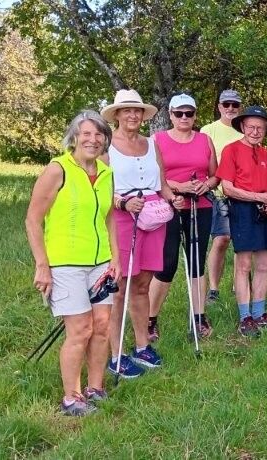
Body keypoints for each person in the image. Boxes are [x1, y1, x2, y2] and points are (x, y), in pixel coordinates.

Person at [25, 110, 120, 416]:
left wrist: (115, 257)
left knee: (102, 327)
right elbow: (32, 220)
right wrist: (42, 264)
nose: (93, 140)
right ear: (74, 137)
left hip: (100, 262)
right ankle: (72, 397)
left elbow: (109, 218)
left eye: (99, 134)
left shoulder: (106, 171)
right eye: (86, 134)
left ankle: (95, 387)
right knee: (80, 329)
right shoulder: (58, 169)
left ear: (106, 139)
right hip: (66, 264)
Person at [100, 89, 181, 377]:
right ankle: (115, 354)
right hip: (122, 218)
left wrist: (173, 197)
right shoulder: (106, 148)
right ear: (117, 115)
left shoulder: (151, 144)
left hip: (154, 217)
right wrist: (122, 202)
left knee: (143, 283)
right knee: (120, 286)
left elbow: (162, 183)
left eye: (137, 111)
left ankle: (142, 345)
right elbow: (96, 190)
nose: (133, 115)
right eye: (127, 111)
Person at [147, 94, 218, 342]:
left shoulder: (204, 140)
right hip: (168, 206)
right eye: (179, 113)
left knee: (197, 262)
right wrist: (178, 188)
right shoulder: (157, 140)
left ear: (195, 115)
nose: (184, 118)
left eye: (189, 113)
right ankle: (150, 318)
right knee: (167, 264)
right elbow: (153, 176)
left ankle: (198, 316)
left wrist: (204, 185)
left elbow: (214, 175)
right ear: (171, 115)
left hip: (201, 206)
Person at [215, 106, 267, 338]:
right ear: (242, 127)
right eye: (251, 127)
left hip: (263, 211)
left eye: (260, 128)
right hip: (242, 210)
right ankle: (245, 318)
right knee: (243, 265)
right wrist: (259, 197)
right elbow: (228, 188)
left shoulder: (265, 154)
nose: (255, 131)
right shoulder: (231, 150)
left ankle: (259, 313)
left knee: (264, 264)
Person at [201, 89, 243, 303]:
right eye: (226, 104)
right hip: (218, 194)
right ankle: (214, 289)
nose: (230, 109)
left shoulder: (246, 131)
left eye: (234, 105)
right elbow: (202, 161)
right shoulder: (208, 131)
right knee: (221, 239)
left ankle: (240, 285)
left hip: (244, 194)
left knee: (242, 243)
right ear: (219, 106)